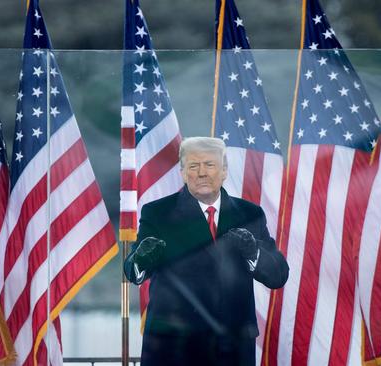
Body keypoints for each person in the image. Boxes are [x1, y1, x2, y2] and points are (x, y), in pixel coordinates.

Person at [124, 136, 289, 366]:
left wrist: (254, 253)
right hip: (174, 346)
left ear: (224, 171)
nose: (202, 173)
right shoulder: (158, 213)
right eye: (193, 165)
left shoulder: (249, 213)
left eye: (209, 165)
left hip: (232, 346)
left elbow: (278, 275)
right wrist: (141, 258)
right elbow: (133, 271)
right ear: (183, 172)